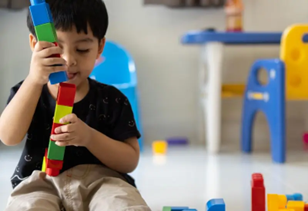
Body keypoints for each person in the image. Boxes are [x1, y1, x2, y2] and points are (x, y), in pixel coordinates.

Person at [0, 0, 151, 210]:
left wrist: (89, 137)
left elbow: (129, 161)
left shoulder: (113, 99)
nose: (68, 59)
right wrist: (34, 80)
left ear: (99, 47)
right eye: (56, 48)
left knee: (124, 204)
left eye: (81, 49)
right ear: (35, 45)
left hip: (104, 183)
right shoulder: (27, 92)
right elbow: (8, 137)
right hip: (39, 184)